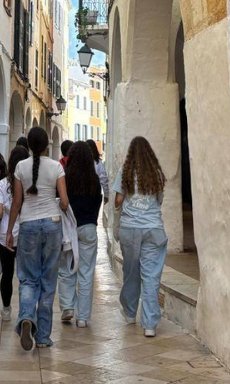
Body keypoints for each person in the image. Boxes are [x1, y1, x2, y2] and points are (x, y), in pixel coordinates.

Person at [5, 126, 68, 351]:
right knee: (48, 281)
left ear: (29, 146)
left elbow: (17, 203)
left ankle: (25, 318)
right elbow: (64, 201)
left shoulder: (20, 167)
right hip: (52, 225)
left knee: (28, 278)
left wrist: (10, 231)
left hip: (28, 225)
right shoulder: (57, 167)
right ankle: (42, 337)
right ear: (47, 145)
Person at [114, 136, 168, 338]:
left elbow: (118, 200)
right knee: (151, 276)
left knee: (131, 272)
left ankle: (129, 313)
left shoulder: (125, 172)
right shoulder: (156, 173)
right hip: (153, 229)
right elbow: (159, 200)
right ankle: (150, 324)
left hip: (129, 229)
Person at [58, 141, 103, 327]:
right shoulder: (95, 180)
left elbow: (60, 201)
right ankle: (83, 317)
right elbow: (98, 202)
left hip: (68, 228)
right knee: (86, 271)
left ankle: (68, 306)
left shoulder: (65, 179)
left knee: (66, 269)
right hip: (89, 228)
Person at [0, 143, 29, 320]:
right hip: (27, 234)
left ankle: (6, 309)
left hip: (6, 235)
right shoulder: (29, 184)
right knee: (26, 275)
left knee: (8, 273)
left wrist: (4, 208)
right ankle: (25, 311)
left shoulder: (2, 184)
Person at [87, 139, 109, 203]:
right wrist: (106, 195)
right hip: (95, 193)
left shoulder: (80, 163)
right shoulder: (98, 163)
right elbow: (103, 179)